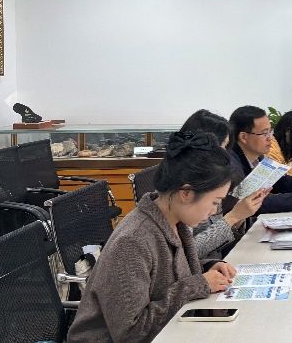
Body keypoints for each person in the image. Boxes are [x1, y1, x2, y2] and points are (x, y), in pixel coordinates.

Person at [67, 131, 239, 342]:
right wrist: (198, 284)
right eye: (214, 202)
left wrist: (207, 268)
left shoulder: (174, 220)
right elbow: (131, 333)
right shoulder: (132, 242)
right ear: (186, 193)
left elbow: (166, 275)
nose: (214, 211)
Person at [180, 109, 270, 260]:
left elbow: (214, 246)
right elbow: (185, 254)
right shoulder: (182, 187)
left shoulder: (212, 179)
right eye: (221, 148)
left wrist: (239, 218)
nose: (225, 155)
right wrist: (232, 217)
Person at [228, 106, 292, 213]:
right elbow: (253, 203)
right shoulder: (232, 168)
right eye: (264, 133)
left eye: (270, 132)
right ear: (243, 137)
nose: (270, 138)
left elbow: (279, 182)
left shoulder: (258, 157)